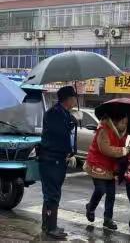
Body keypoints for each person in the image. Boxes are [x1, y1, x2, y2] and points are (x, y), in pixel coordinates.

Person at [39, 86, 79, 239]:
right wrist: (72, 122)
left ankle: (47, 224)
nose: (75, 100)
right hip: (51, 159)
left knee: (51, 193)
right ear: (68, 99)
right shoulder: (54, 113)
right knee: (52, 194)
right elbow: (59, 133)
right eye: (74, 97)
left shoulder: (64, 113)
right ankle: (51, 227)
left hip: (58, 159)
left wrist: (74, 119)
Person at [84, 111, 129, 230]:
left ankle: (108, 219)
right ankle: (91, 207)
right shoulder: (104, 130)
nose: (125, 125)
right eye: (123, 122)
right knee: (100, 189)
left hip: (111, 167)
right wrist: (123, 151)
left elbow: (121, 150)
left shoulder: (123, 133)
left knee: (111, 194)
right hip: (97, 164)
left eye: (126, 123)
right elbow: (105, 149)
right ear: (116, 121)